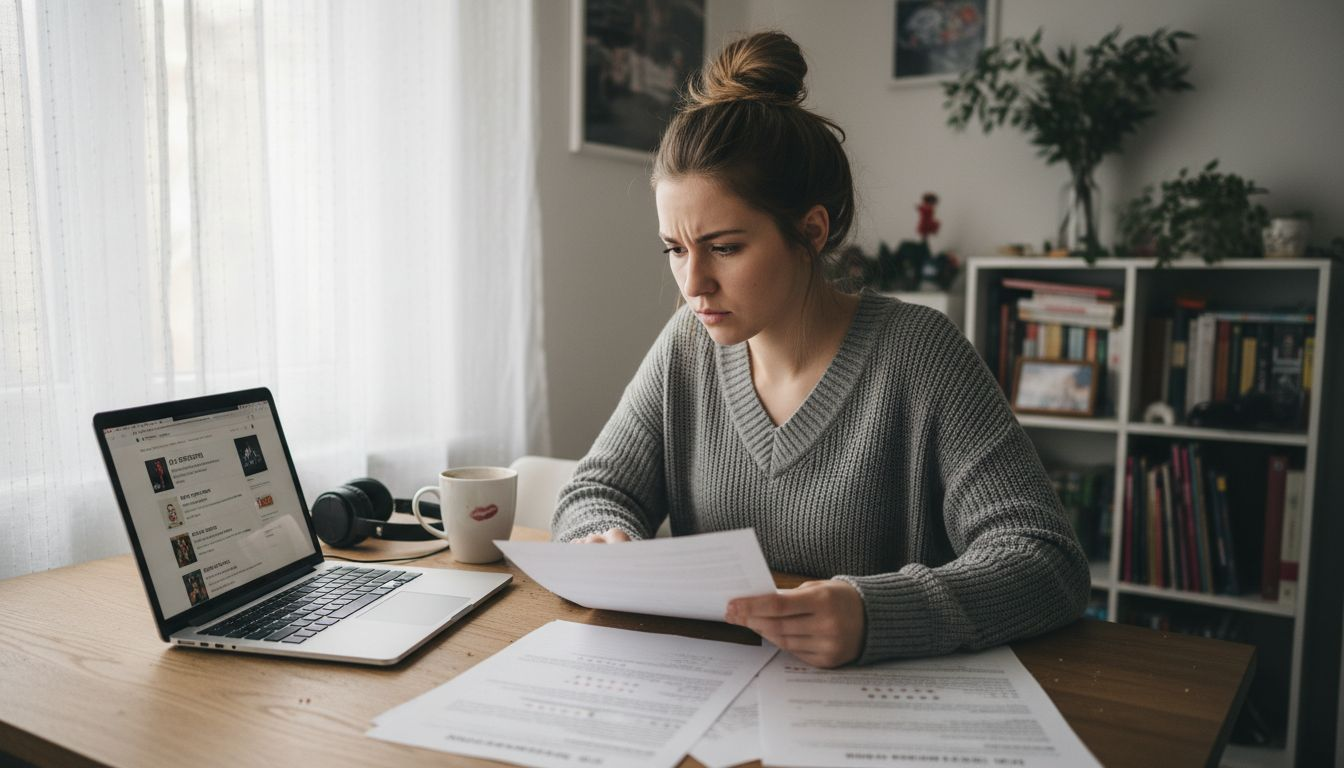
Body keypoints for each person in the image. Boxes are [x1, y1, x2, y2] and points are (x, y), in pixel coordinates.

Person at [551, 31, 1089, 668]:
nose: (692, 283)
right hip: (714, 705)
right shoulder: (686, 348)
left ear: (810, 230)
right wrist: (601, 539)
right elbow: (594, 491)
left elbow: (1046, 559)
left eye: (724, 247)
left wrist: (877, 614)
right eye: (675, 249)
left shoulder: (920, 355)